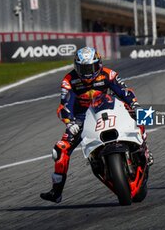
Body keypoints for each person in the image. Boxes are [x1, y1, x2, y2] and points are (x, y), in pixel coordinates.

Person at [40, 47, 153, 203]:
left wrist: (135, 104)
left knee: (142, 114)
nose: (87, 72)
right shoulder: (69, 80)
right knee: (60, 150)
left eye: (90, 67)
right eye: (83, 68)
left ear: (98, 64)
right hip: (82, 118)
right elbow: (64, 106)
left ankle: (145, 148)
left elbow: (124, 91)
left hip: (108, 107)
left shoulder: (108, 73)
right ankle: (56, 191)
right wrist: (69, 122)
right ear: (76, 66)